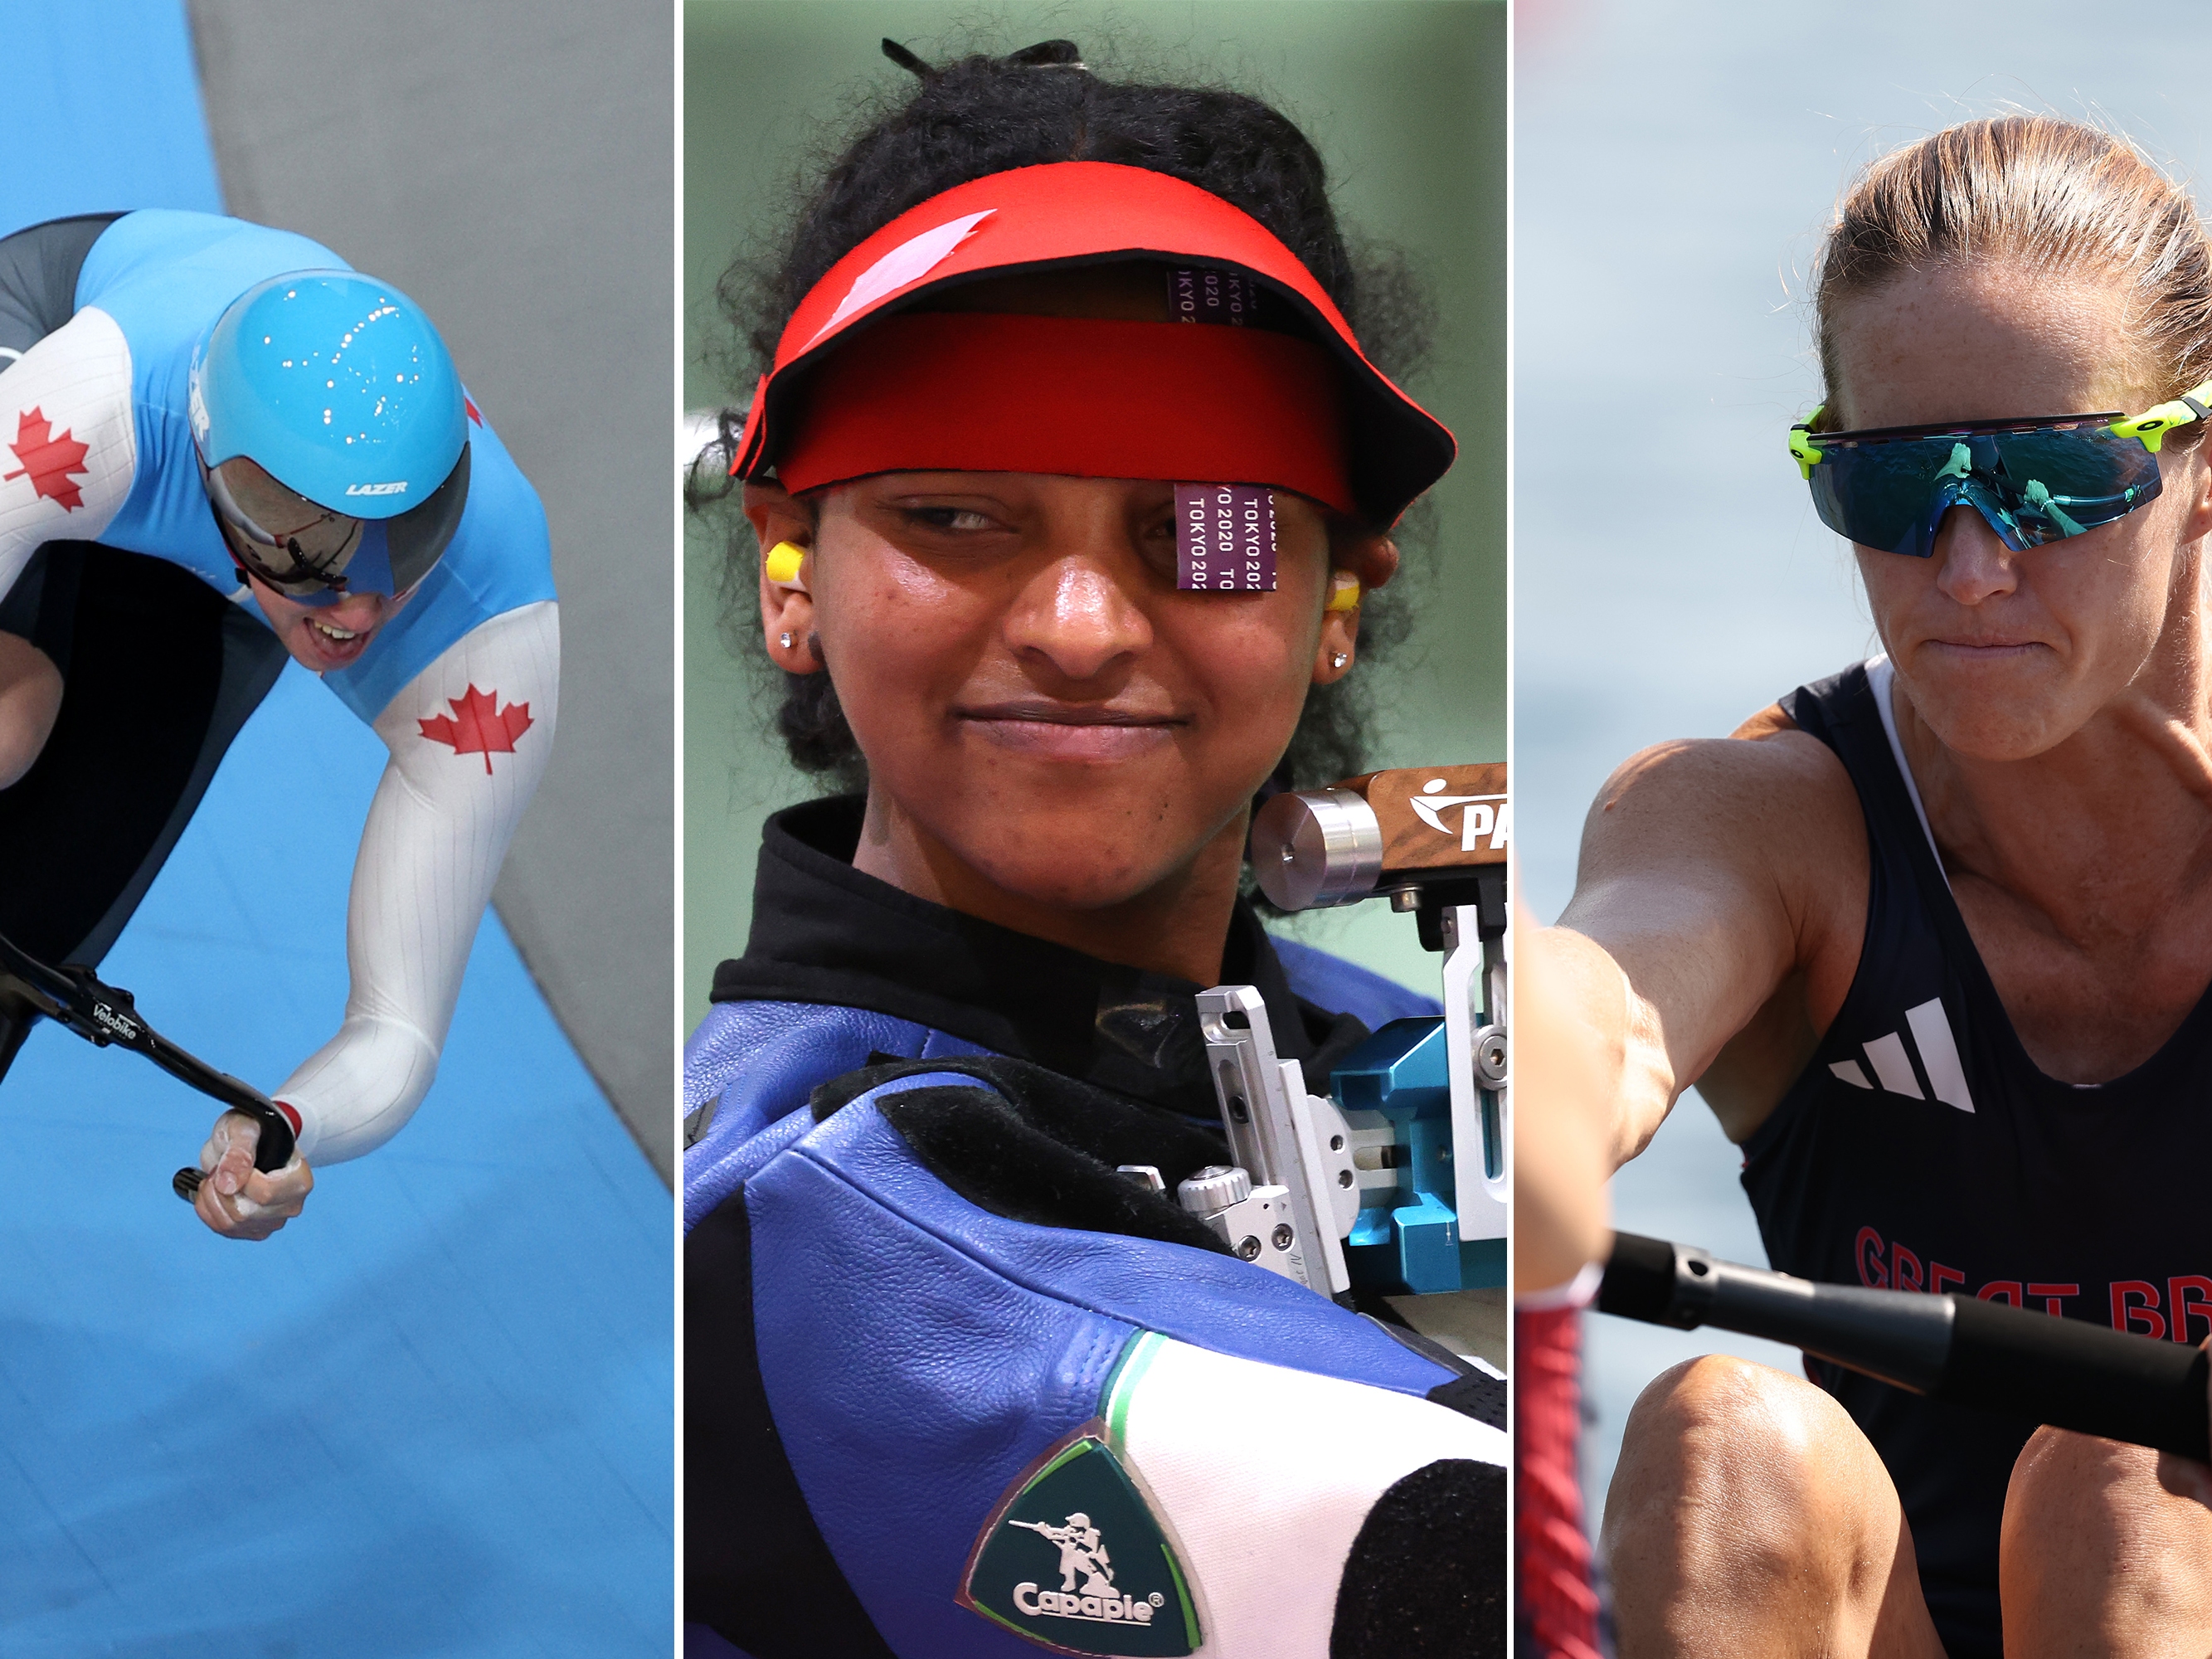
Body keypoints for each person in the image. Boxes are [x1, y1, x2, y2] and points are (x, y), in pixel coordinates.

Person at [683, 38, 1504, 1659]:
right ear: (789, 568)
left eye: (1205, 526)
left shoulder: (1415, 1050)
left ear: (1342, 593)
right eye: (954, 516)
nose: (1075, 625)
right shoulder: (791, 1220)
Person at [1533, 114, 2212, 1657]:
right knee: (1722, 1431)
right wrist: (1542, 1077)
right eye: (1897, 488)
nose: (1968, 567)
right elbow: (1617, 982)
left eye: (2049, 481)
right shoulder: (1769, 819)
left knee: (2122, 1493)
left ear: (2197, 466)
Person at [0, 209, 557, 1241]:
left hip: (226, 579)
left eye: (410, 533)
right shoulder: (88, 408)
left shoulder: (489, 625)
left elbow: (396, 1032)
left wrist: (286, 1127)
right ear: (224, 472)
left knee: (32, 916)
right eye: (320, 545)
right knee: (12, 720)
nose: (360, 611)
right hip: (47, 354)